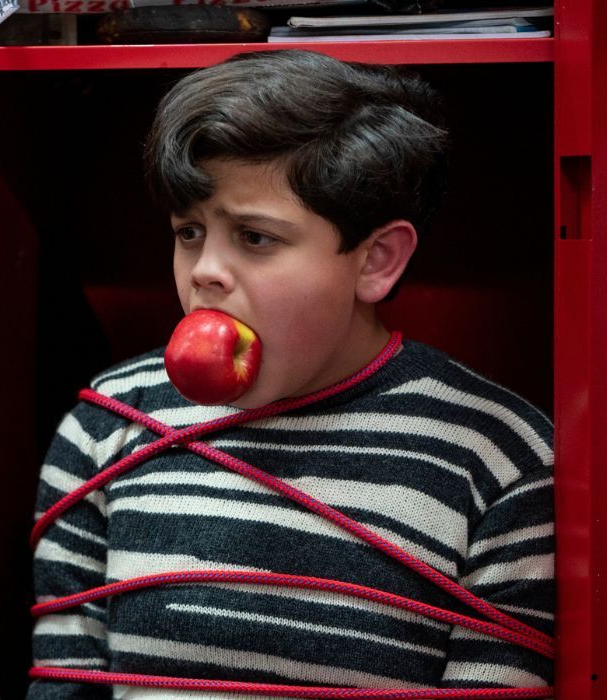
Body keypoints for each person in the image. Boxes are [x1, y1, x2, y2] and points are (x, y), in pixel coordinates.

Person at [29, 50, 555, 697]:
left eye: (254, 238)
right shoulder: (105, 428)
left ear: (376, 262)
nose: (204, 272)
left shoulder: (501, 460)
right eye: (189, 232)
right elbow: (62, 683)